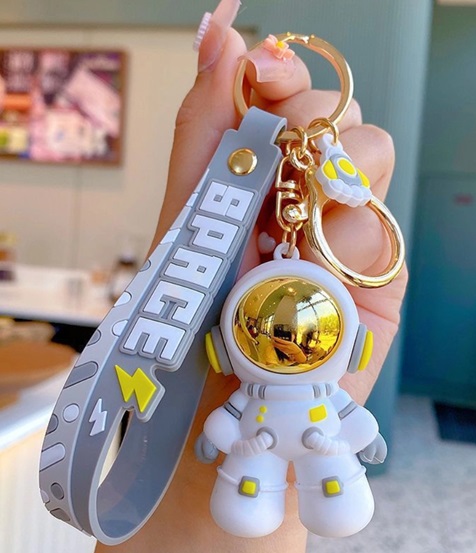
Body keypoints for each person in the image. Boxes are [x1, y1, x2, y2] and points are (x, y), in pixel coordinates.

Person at [96, 0, 408, 551]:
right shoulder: (258, 372)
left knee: (328, 486)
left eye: (301, 334)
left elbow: (334, 411)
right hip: (257, 446)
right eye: (274, 334)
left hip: (292, 439)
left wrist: (361, 434)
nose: (288, 343)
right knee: (249, 494)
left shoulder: (314, 382)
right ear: (222, 350)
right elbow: (231, 417)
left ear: (350, 345)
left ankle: (322, 491)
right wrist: (193, 462)